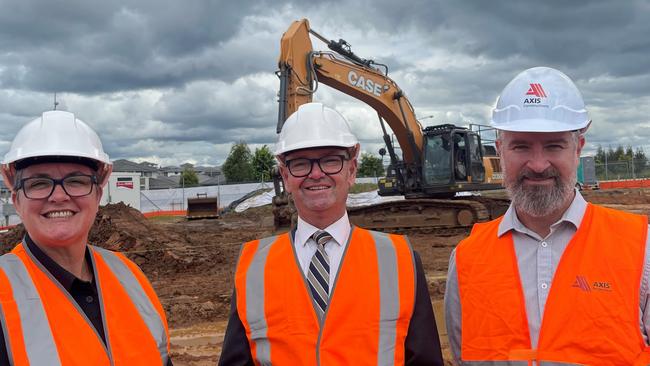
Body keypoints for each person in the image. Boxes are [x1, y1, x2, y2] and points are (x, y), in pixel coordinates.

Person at [445, 66, 650, 364]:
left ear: (577, 148)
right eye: (521, 146)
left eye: (554, 145)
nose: (538, 164)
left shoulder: (640, 248)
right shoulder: (466, 258)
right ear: (500, 150)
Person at [219, 102, 444, 365]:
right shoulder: (254, 265)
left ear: (352, 170)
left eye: (330, 160)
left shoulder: (399, 259)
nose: (316, 174)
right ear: (285, 176)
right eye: (301, 163)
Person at [0, 110, 171, 365]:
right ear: (16, 201)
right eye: (39, 184)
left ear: (98, 195)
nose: (58, 196)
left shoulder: (131, 277)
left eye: (76, 181)